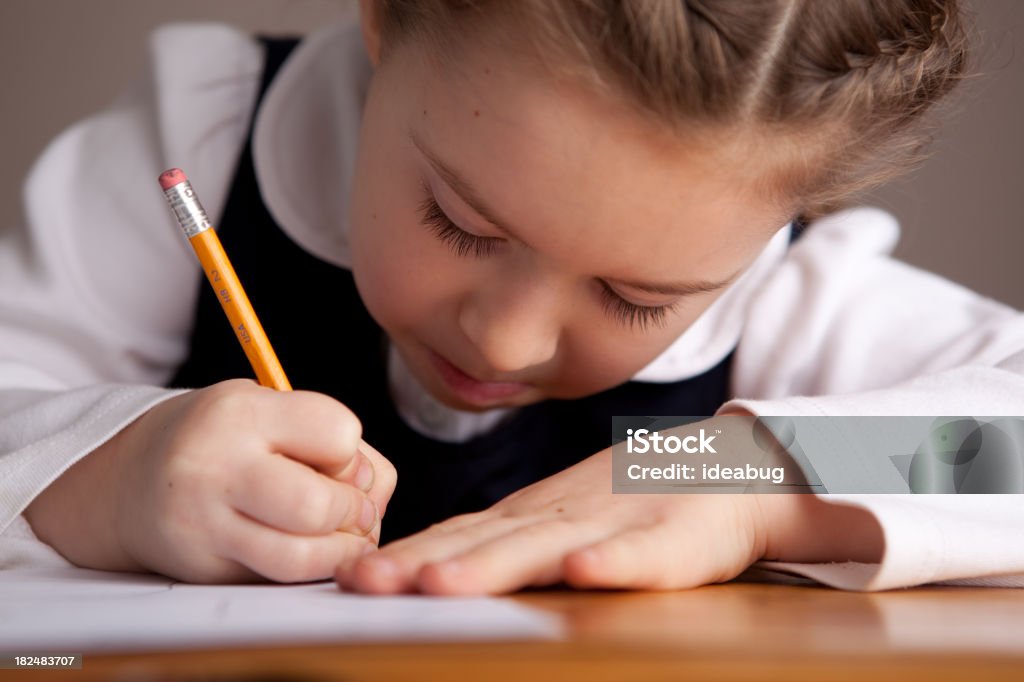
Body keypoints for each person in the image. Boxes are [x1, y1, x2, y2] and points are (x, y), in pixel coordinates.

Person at [3, 0, 1023, 594]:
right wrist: (105, 471)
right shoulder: (207, 141)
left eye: (634, 296)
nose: (507, 337)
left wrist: (736, 469)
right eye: (462, 225)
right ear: (381, 18)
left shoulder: (790, 291)